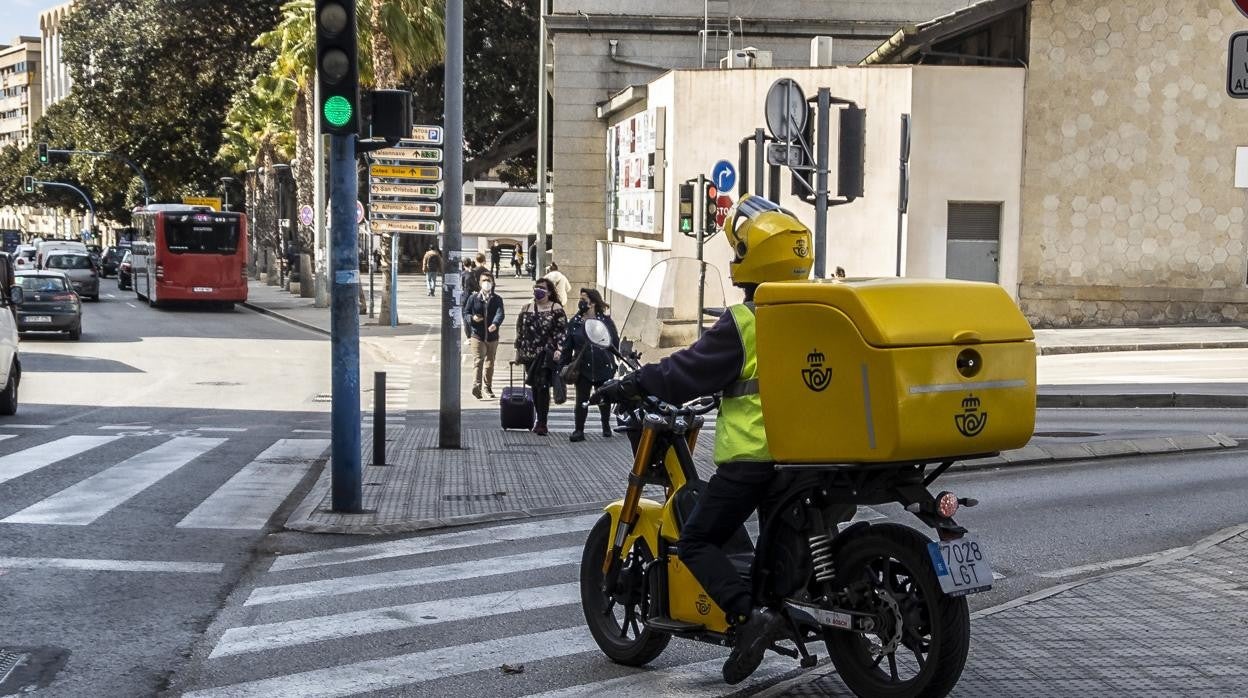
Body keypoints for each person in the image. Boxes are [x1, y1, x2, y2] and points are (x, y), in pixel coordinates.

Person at [593, 196, 814, 685]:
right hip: (809, 455)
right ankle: (780, 601)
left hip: (755, 459)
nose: (733, 261)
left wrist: (636, 382)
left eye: (738, 252)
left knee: (695, 538)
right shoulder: (815, 314)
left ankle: (747, 616)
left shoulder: (747, 322)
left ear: (752, 259)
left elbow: (687, 370)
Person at [558, 288, 618, 442]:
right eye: (580, 299)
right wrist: (562, 367)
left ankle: (606, 425)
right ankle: (579, 430)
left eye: (584, 299)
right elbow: (567, 347)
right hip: (582, 368)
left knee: (604, 397)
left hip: (602, 366)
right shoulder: (575, 322)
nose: (581, 302)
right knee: (581, 400)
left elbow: (614, 343)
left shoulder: (605, 321)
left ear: (592, 302)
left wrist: (614, 360)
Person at [514, 277, 566, 435]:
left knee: (543, 387)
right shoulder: (526, 308)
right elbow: (520, 332)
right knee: (535, 387)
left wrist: (559, 349)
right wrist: (518, 352)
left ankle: (542, 422)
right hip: (529, 355)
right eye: (537, 287)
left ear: (549, 292)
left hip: (546, 355)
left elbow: (562, 331)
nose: (539, 291)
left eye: (542, 288)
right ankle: (538, 418)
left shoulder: (555, 308)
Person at [463, 272, 504, 399]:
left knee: (489, 363)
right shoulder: (473, 298)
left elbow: (500, 313)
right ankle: (477, 386)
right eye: (484, 280)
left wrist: (495, 324)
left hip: (492, 336)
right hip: (477, 335)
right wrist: (472, 318)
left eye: (489, 280)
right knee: (478, 360)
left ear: (492, 283)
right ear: (480, 283)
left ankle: (488, 387)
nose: (486, 282)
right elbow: (466, 313)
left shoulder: (497, 299)